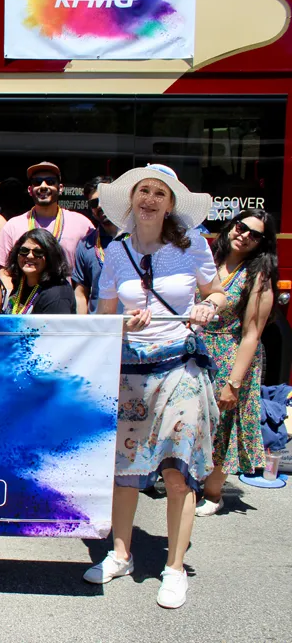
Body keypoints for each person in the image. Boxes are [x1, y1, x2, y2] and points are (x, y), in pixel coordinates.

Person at [85, 165, 227, 610]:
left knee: (177, 472)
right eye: (142, 191)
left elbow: (217, 293)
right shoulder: (116, 250)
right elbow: (104, 316)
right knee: (125, 469)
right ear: (131, 200)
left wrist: (207, 307)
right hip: (130, 371)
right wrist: (122, 323)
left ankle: (175, 568)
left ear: (170, 205)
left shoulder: (194, 245)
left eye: (159, 193)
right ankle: (120, 554)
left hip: (179, 365)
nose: (149, 199)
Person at [197, 209, 277, 516]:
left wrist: (234, 382)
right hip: (198, 352)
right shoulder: (209, 260)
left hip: (230, 355)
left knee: (223, 426)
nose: (244, 236)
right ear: (231, 225)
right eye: (241, 227)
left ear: (262, 243)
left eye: (254, 235)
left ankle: (213, 493)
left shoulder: (258, 276)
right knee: (197, 421)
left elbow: (252, 333)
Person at [0, 162, 95, 274]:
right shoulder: (13, 226)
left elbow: (94, 265)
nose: (43, 186)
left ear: (60, 188)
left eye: (50, 182)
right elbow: (4, 270)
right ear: (30, 190)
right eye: (37, 182)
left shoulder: (82, 224)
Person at [2, 229, 76, 315]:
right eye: (24, 250)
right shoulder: (21, 283)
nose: (30, 256)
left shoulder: (57, 294)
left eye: (38, 252)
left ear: (51, 257)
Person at [73, 176, 118, 314]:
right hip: (100, 323)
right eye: (94, 203)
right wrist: (81, 324)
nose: (100, 206)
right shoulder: (86, 245)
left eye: (105, 199)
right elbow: (81, 294)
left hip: (134, 323)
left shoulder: (137, 238)